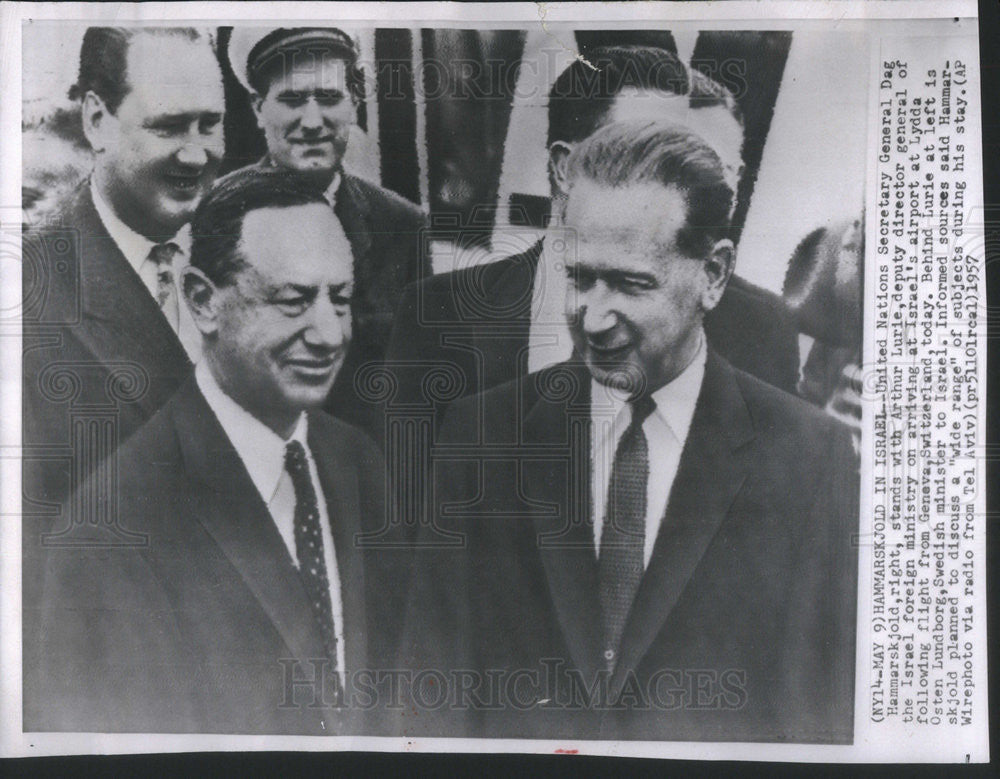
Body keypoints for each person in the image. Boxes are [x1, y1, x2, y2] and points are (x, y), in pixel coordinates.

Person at [397, 122, 859, 743]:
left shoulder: (807, 458)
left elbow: (817, 719)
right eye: (580, 277)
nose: (592, 316)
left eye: (631, 283)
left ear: (714, 275)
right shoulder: (482, 435)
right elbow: (428, 699)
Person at [26, 170, 407, 734]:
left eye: (341, 299)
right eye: (294, 300)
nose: (329, 334)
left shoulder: (359, 462)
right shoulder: (107, 533)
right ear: (203, 301)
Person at [383, 45, 800, 431]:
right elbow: (413, 495)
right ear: (565, 166)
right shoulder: (437, 314)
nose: (669, 181)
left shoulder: (760, 326)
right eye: (634, 152)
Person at [23, 26, 226, 495]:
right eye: (168, 126)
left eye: (210, 124)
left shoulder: (247, 239)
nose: (197, 154)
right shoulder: (27, 293)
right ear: (97, 120)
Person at [223, 27, 431, 434]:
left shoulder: (402, 226)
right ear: (257, 107)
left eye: (330, 97)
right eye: (293, 99)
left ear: (354, 103)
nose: (313, 121)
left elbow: (418, 387)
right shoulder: (217, 217)